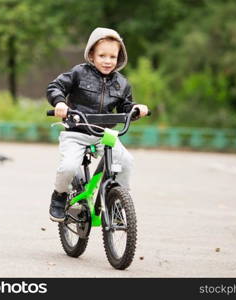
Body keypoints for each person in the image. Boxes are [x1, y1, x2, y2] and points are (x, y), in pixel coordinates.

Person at [46, 27, 149, 222]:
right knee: (68, 166)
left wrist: (136, 109)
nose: (108, 61)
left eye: (113, 56)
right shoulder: (78, 73)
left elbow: (126, 106)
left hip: (104, 133)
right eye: (102, 55)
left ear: (119, 58)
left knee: (126, 162)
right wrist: (59, 102)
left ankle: (117, 205)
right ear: (92, 55)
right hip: (75, 131)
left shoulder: (121, 83)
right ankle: (59, 196)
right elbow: (55, 86)